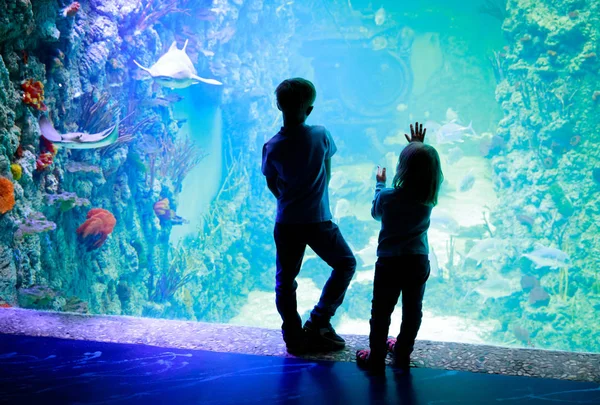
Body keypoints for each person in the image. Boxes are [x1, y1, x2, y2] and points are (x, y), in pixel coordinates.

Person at [261, 78, 357, 355]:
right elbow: (328, 172)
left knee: (285, 280)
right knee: (346, 263)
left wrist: (290, 200)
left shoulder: (272, 146)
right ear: (311, 109)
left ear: (278, 105)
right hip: (318, 220)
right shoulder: (321, 134)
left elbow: (272, 183)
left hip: (287, 222)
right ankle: (319, 321)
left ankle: (292, 333)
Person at [356, 122, 443, 374]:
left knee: (381, 311)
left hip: (390, 263)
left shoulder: (388, 196)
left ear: (400, 168)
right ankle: (402, 350)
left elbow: (375, 214)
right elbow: (421, 172)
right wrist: (417, 147)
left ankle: (376, 356)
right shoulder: (428, 198)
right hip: (417, 262)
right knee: (413, 310)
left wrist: (379, 185)